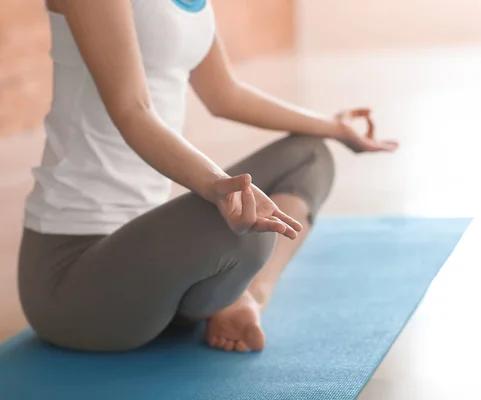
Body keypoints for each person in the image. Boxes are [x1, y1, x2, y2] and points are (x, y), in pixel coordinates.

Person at [18, 0, 398, 353]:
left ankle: (250, 294)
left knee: (309, 155)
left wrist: (332, 127)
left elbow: (224, 94)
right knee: (245, 230)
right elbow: (132, 109)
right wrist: (216, 187)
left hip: (147, 255)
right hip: (72, 280)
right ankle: (224, 296)